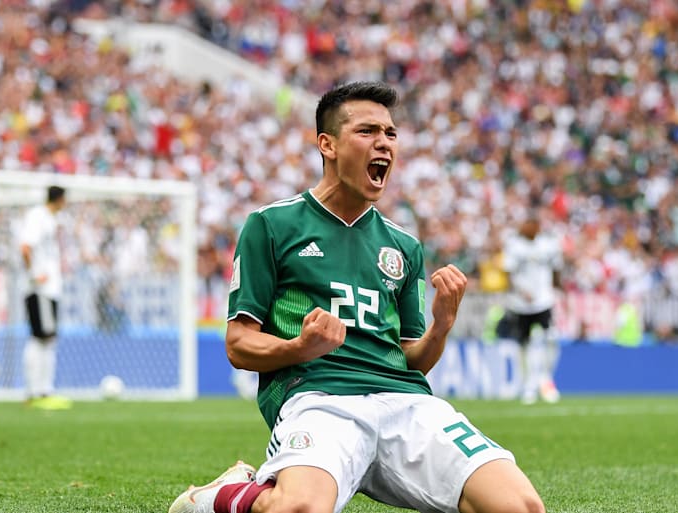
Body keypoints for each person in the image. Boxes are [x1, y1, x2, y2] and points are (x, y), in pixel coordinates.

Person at [169, 82, 545, 513]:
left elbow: (413, 360)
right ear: (326, 145)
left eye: (390, 133)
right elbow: (238, 345)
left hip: (406, 404)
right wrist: (299, 347)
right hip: (319, 399)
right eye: (367, 132)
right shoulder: (272, 225)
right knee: (298, 509)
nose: (383, 142)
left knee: (521, 507)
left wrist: (441, 325)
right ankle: (226, 496)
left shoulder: (404, 247)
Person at [498, 214, 563, 405]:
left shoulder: (548, 244)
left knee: (551, 339)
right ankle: (528, 385)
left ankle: (546, 379)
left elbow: (556, 268)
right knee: (523, 345)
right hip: (521, 304)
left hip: (544, 301)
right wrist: (521, 290)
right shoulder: (514, 245)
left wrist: (558, 287)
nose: (531, 229)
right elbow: (508, 273)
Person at [19, 185, 71, 410]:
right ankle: (38, 391)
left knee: (46, 338)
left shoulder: (50, 219)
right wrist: (33, 275)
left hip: (50, 288)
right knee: (41, 338)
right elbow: (25, 247)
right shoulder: (37, 216)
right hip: (41, 288)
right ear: (60, 199)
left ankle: (40, 391)